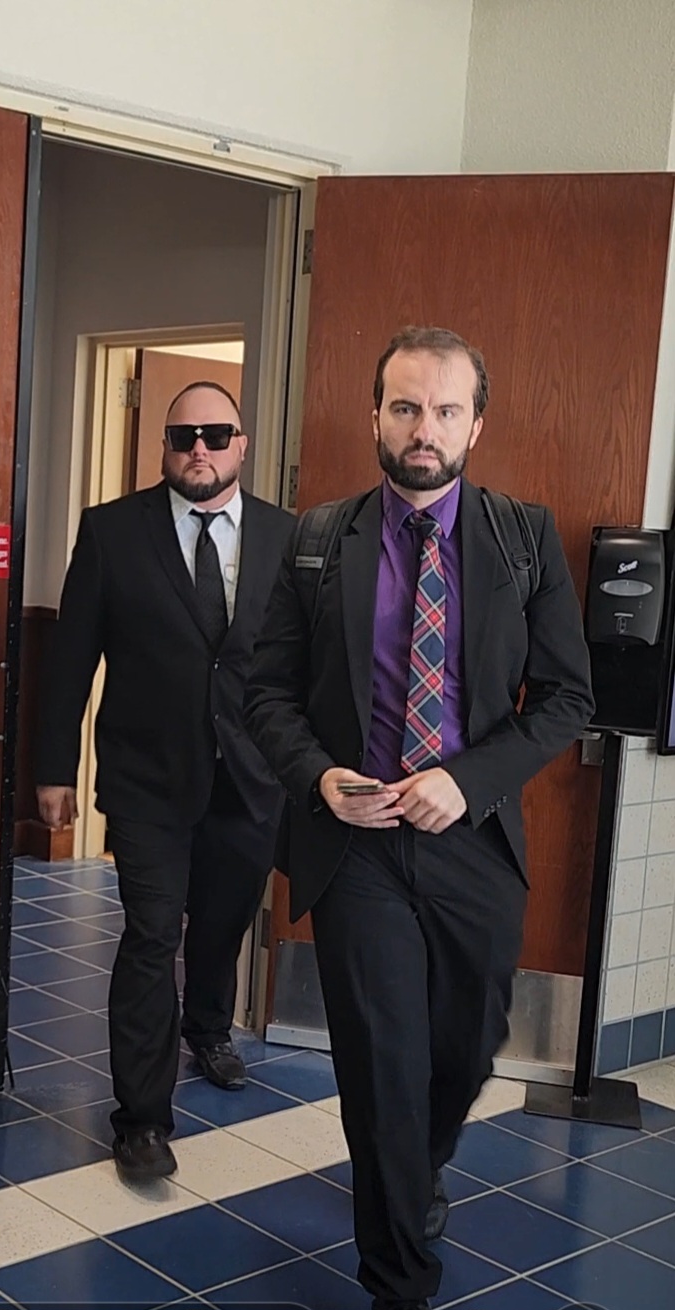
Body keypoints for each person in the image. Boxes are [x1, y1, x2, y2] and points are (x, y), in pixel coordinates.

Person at [243, 326, 594, 1310]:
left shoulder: (520, 537)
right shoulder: (318, 540)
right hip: (355, 847)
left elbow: (566, 697)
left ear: (476, 421)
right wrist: (318, 777)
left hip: (469, 839)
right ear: (374, 416)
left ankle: (416, 1166)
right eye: (404, 406)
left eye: (444, 408)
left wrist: (471, 778)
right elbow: (265, 692)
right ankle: (400, 1276)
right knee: (383, 1060)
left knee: (466, 1042)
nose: (423, 427)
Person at [36, 380, 294, 1181]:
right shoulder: (113, 532)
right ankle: (142, 1121)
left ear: (243, 446)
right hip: (147, 779)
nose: (200, 450)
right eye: (184, 437)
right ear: (165, 447)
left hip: (252, 777)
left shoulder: (291, 538)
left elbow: (311, 666)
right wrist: (52, 768)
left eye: (218, 436)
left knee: (221, 922)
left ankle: (209, 1027)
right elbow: (71, 655)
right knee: (153, 937)